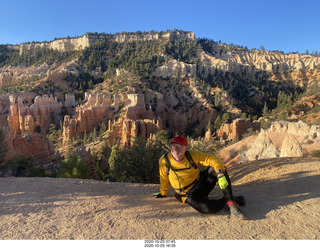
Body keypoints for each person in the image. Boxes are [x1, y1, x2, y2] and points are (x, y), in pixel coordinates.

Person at [154, 136, 247, 220]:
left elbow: (213, 159)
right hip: (188, 195)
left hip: (201, 183)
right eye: (173, 146)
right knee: (206, 209)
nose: (175, 149)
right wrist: (163, 193)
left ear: (186, 148)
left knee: (217, 169)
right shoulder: (164, 160)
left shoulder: (192, 155)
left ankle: (231, 203)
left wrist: (220, 174)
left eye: (179, 146)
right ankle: (225, 200)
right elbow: (164, 177)